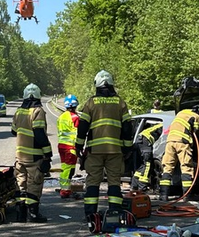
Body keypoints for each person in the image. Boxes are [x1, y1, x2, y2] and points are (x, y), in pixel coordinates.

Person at [75, 71, 133, 221]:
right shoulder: (120, 102)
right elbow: (127, 127)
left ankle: (90, 215)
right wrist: (127, 148)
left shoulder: (91, 103)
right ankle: (114, 215)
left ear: (97, 85)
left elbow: (83, 126)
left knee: (93, 181)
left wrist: (78, 146)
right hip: (115, 150)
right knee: (114, 181)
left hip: (95, 150)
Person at [11, 83, 52, 222]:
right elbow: (39, 133)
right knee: (34, 184)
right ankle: (33, 214)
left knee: (21, 183)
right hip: (34, 156)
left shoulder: (19, 112)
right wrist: (48, 154)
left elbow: (13, 131)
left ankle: (21, 214)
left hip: (20, 156)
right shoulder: (37, 111)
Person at [159, 104, 199, 202]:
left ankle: (163, 195)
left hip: (170, 142)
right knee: (186, 167)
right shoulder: (196, 116)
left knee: (167, 167)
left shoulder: (181, 113)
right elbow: (196, 133)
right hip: (182, 143)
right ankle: (187, 195)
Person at [57, 95, 80, 199]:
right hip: (70, 147)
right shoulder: (75, 118)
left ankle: (63, 188)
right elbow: (78, 134)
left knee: (64, 168)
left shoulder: (61, 117)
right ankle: (65, 191)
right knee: (69, 169)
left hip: (61, 145)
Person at [131, 120, 163, 192]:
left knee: (141, 166)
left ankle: (134, 186)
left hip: (139, 141)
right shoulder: (164, 126)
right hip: (145, 142)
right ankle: (142, 187)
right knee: (147, 165)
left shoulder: (155, 126)